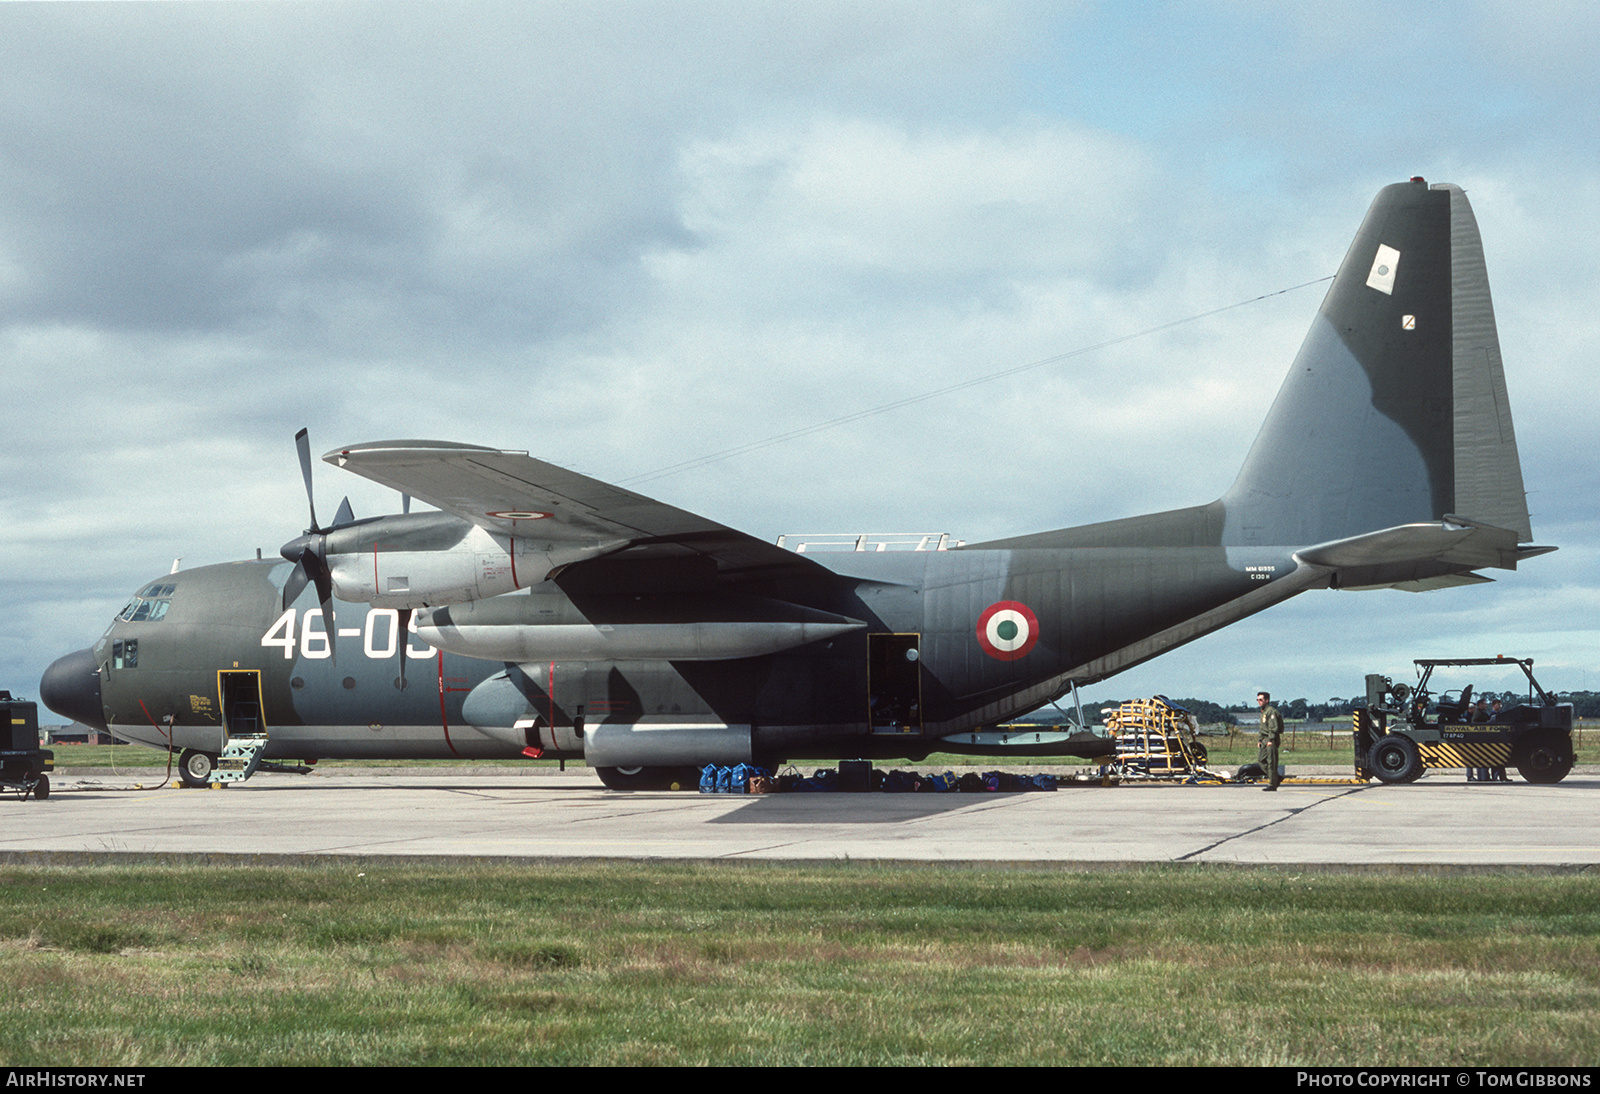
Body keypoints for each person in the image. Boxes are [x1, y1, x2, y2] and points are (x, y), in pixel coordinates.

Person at [1256, 690, 1283, 791]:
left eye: (1261, 700)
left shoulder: (1271, 711)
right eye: (1257, 700)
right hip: (1263, 739)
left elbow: (1273, 727)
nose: (1259, 701)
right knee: (1261, 760)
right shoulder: (1263, 712)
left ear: (1267, 700)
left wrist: (1271, 739)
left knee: (1272, 762)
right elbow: (1262, 728)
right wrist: (1259, 740)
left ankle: (1272, 784)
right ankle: (1276, 777)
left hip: (1270, 739)